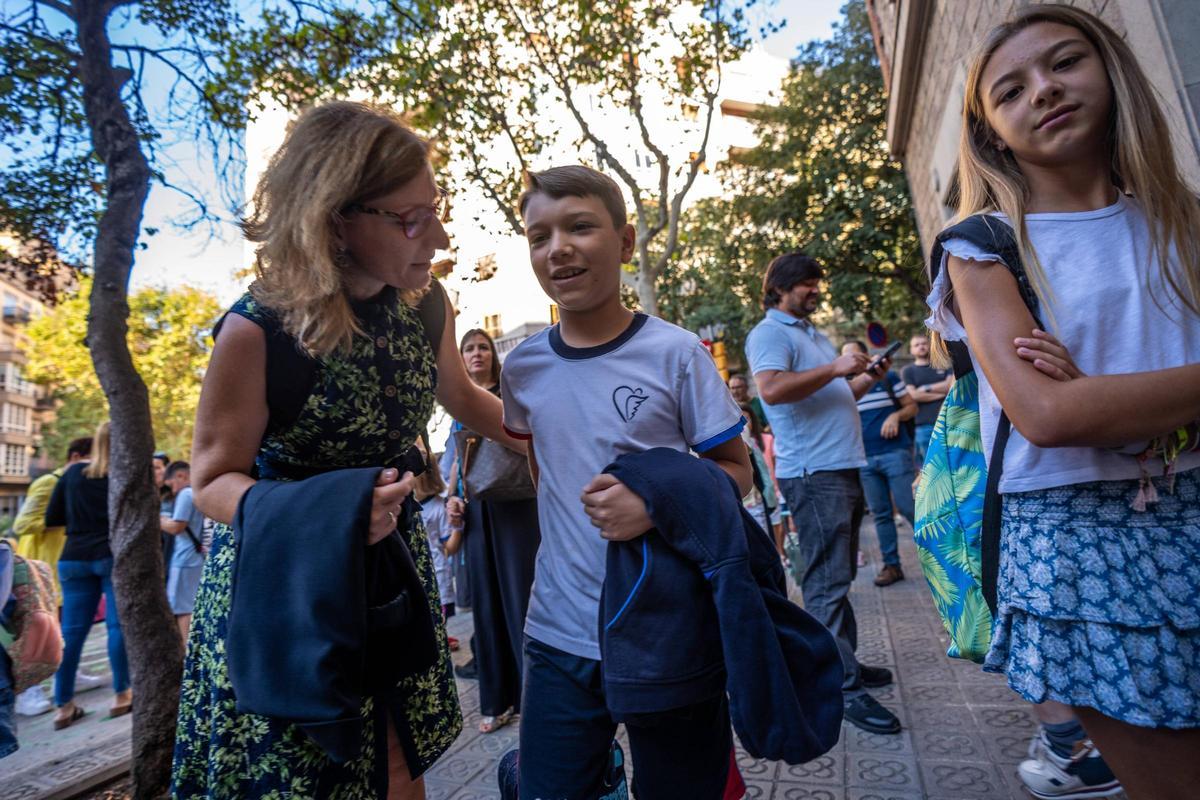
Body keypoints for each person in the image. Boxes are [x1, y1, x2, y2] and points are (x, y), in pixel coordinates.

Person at [172, 101, 517, 800]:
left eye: (436, 207)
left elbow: (467, 400)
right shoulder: (256, 328)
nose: (439, 233)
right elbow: (211, 481)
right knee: (306, 776)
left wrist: (580, 439)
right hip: (288, 579)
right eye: (410, 217)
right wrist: (331, 514)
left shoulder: (425, 302)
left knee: (395, 759)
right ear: (336, 218)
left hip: (388, 568)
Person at [927, 6, 1200, 797]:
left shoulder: (1182, 220)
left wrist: (1102, 395)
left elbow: (1080, 406)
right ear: (991, 131)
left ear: (1110, 70)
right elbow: (1047, 418)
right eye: (1010, 91)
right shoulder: (981, 247)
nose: (1043, 91)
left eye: (1064, 63)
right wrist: (1084, 402)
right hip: (1079, 539)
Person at [501, 165, 753, 799]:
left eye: (580, 226)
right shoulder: (523, 367)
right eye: (538, 236)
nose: (557, 247)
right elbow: (545, 469)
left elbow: (737, 473)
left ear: (627, 242)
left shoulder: (676, 353)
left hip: (668, 629)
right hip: (557, 631)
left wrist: (657, 500)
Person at [745, 252, 901, 735]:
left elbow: (833, 396)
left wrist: (864, 378)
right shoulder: (769, 333)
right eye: (806, 284)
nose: (815, 290)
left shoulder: (811, 335)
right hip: (813, 474)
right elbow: (771, 391)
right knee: (824, 585)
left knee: (837, 578)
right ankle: (840, 687)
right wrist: (835, 368)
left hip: (841, 465)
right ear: (780, 288)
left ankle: (846, 664)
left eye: (817, 282)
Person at [449, 328, 541, 735]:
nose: (476, 353)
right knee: (485, 606)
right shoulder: (456, 403)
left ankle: (533, 699)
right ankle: (496, 700)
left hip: (518, 508)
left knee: (522, 600)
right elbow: (458, 464)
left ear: (492, 355)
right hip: (478, 513)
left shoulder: (510, 394)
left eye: (483, 347)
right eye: (468, 348)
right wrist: (453, 498)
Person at [44, 421, 131, 730]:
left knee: (71, 633)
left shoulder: (70, 474)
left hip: (73, 557)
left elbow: (52, 518)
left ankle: (63, 706)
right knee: (116, 627)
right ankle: (123, 694)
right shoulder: (122, 473)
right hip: (109, 553)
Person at [11, 437, 97, 718]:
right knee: (35, 632)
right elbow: (22, 524)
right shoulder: (49, 483)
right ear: (75, 457)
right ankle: (27, 692)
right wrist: (66, 517)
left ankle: (68, 672)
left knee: (63, 628)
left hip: (62, 565)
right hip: (40, 567)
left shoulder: (83, 482)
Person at [841, 340, 917, 587]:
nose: (849, 362)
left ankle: (944, 558)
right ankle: (892, 566)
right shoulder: (843, 388)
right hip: (864, 460)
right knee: (881, 514)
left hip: (895, 453)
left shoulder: (888, 377)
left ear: (865, 356)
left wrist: (896, 415)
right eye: (844, 357)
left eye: (854, 356)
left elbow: (911, 407)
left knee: (910, 508)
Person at [414, 451, 460, 651]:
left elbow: (450, 547)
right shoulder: (409, 506)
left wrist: (457, 526)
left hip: (437, 576)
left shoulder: (437, 507)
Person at [158, 462, 205, 643]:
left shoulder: (186, 494)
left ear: (181, 476)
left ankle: (188, 654)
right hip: (196, 557)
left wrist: (157, 518)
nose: (172, 490)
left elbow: (177, 526)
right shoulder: (198, 492)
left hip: (185, 560)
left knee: (183, 610)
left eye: (171, 484)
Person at [901, 334, 952, 465]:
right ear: (911, 350)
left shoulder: (944, 364)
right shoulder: (908, 371)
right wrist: (942, 395)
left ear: (930, 345)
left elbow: (950, 386)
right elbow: (914, 395)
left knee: (953, 463)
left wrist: (926, 388)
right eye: (916, 345)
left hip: (950, 422)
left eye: (924, 343)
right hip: (924, 427)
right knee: (929, 466)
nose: (921, 347)